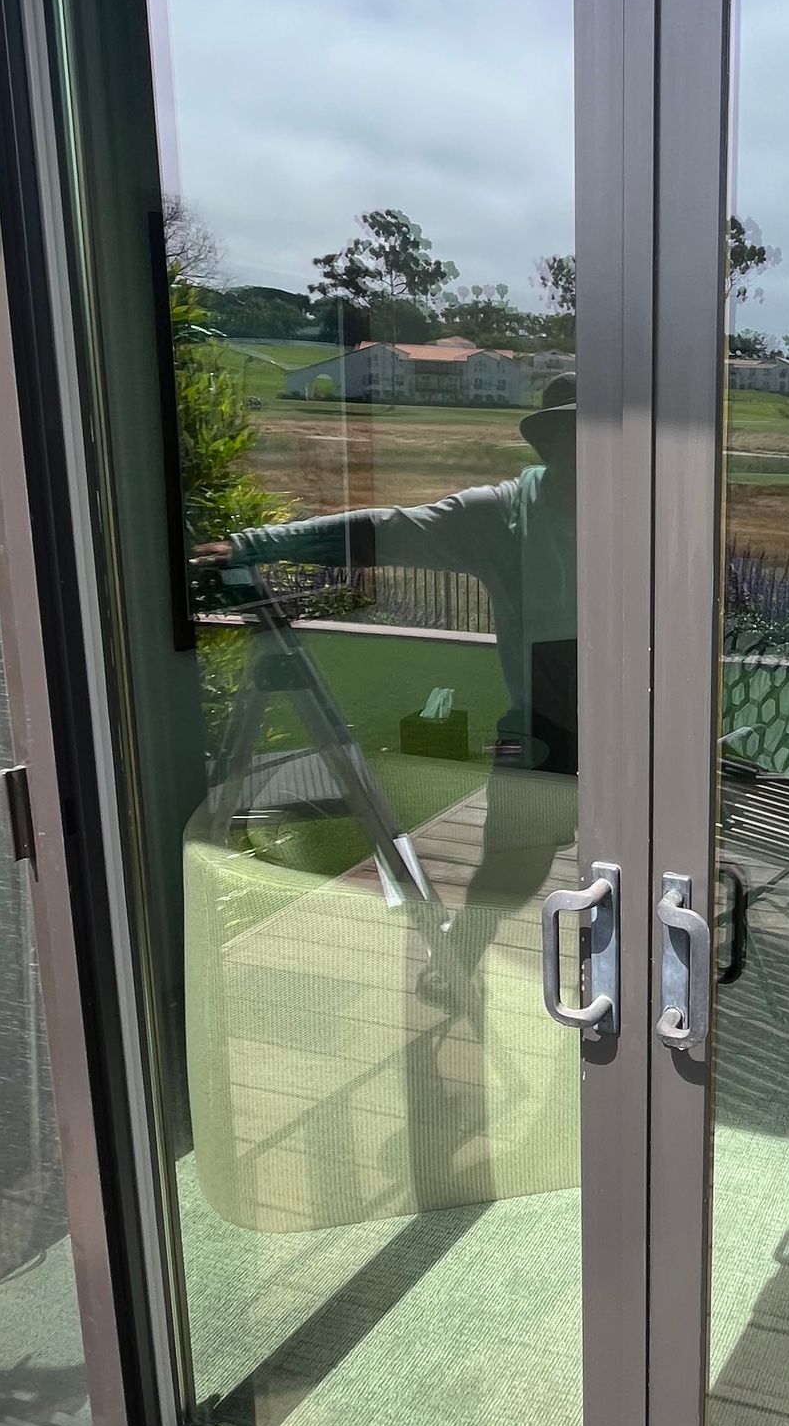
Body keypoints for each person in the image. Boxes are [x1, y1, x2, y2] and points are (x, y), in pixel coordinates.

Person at [197, 376, 578, 1021]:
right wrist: (251, 547)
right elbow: (382, 530)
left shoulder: (646, 508)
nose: (586, 454)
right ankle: (464, 952)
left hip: (641, 721)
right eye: (571, 438)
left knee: (640, 856)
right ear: (553, 446)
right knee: (516, 857)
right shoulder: (506, 514)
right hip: (543, 723)